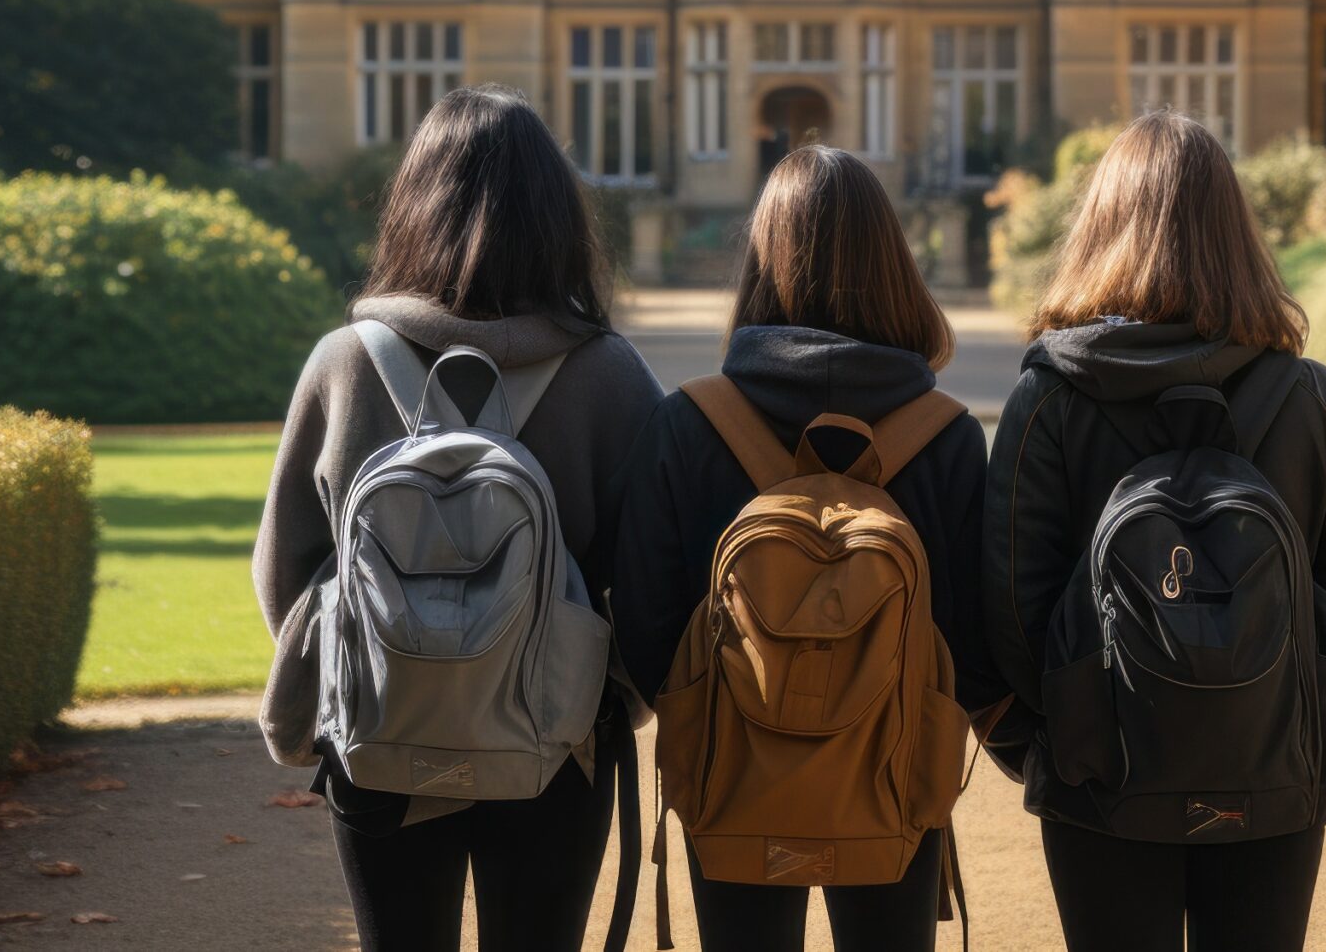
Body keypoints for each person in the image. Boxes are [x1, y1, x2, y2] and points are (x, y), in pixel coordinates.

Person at [253, 85, 663, 952]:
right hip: (555, 741)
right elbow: (657, 578)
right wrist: (604, 697)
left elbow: (284, 566)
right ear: (558, 218)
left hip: (382, 725)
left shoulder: (344, 363)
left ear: (411, 206)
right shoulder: (610, 375)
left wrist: (345, 668)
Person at [984, 111, 1326, 952]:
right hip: (1272, 768)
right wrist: (1272, 690)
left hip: (1103, 775)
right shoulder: (1314, 397)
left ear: (1101, 225)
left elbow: (1010, 602)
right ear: (1236, 234)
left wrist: (1074, 724)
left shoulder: (1051, 399)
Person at [614, 144, 999, 952]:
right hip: (893, 780)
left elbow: (646, 629)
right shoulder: (950, 438)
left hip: (733, 775)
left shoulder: (688, 424)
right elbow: (979, 640)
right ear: (893, 264)